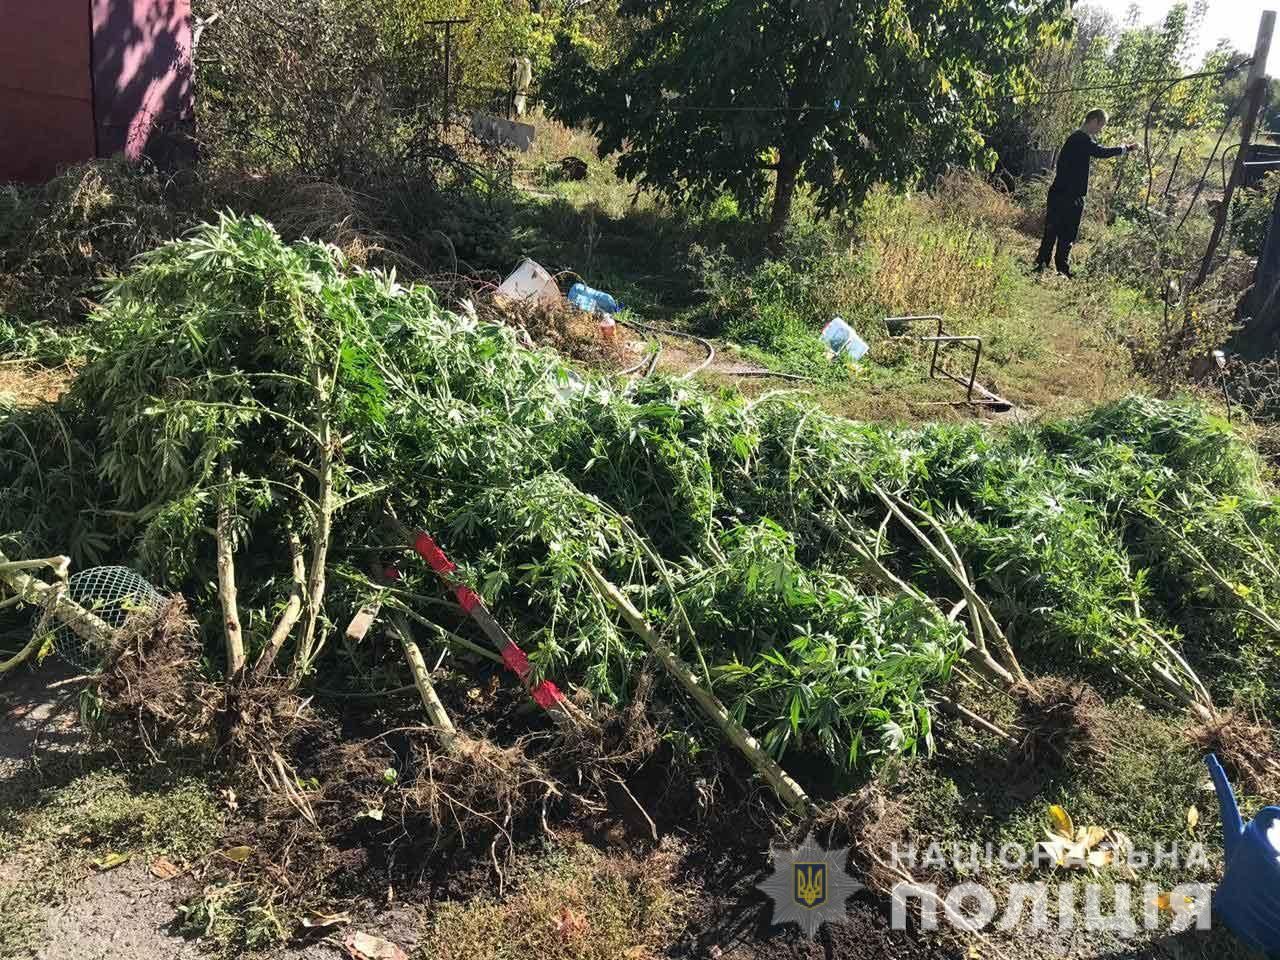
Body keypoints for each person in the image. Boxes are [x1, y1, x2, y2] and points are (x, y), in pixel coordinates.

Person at [1035, 109, 1138, 278]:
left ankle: (1042, 264)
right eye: (1101, 125)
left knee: (1052, 229)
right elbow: (1101, 152)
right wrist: (1126, 148)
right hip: (1071, 196)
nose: (1101, 130)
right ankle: (1061, 269)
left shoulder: (1074, 138)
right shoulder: (1082, 139)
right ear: (1094, 121)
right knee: (1067, 233)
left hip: (1058, 192)